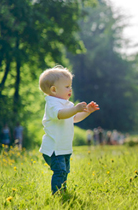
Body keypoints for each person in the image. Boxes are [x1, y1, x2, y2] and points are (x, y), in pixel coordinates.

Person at [39, 66, 100, 194]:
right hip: (54, 149)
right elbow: (61, 115)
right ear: (54, 90)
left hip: (64, 147)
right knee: (60, 171)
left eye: (70, 86)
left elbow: (74, 118)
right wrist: (75, 109)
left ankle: (62, 190)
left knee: (65, 171)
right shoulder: (52, 104)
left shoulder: (68, 105)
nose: (70, 89)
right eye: (67, 86)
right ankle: (57, 194)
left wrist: (87, 111)